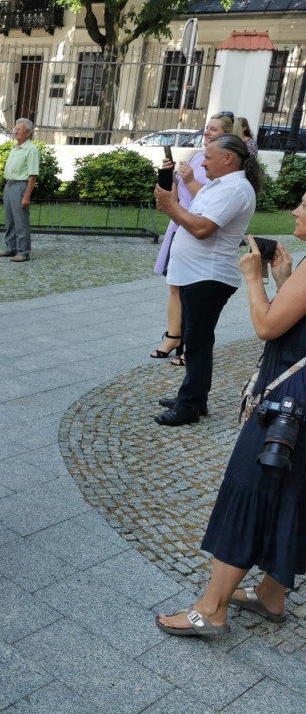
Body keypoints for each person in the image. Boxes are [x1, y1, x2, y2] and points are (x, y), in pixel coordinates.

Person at [155, 220, 306, 637]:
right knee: (292, 493)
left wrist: (252, 278)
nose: (296, 211)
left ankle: (212, 608)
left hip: (288, 406)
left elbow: (268, 326)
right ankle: (271, 595)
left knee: (249, 486)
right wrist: (286, 282)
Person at [153, 134, 259, 426]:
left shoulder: (236, 189)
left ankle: (189, 406)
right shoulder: (217, 185)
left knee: (197, 341)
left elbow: (202, 229)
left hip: (208, 276)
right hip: (195, 274)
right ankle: (194, 398)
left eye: (209, 157)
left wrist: (172, 206)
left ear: (228, 159)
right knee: (194, 339)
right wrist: (169, 194)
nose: (203, 162)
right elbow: (185, 216)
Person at [151, 112, 236, 362]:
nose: (208, 132)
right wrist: (167, 175)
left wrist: (188, 180)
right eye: (207, 128)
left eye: (215, 129)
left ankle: (190, 346)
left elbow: (209, 198)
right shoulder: (199, 156)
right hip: (178, 225)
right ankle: (173, 336)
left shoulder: (223, 166)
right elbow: (173, 194)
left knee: (193, 291)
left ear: (227, 136)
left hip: (197, 225)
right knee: (175, 286)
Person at [0, 118, 39, 263]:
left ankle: (23, 251)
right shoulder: (15, 147)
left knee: (21, 221)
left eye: (19, 129)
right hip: (9, 185)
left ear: (28, 133)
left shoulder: (31, 150)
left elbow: (33, 175)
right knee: (10, 220)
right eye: (15, 128)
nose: (15, 131)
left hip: (21, 186)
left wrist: (26, 195)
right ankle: (11, 248)